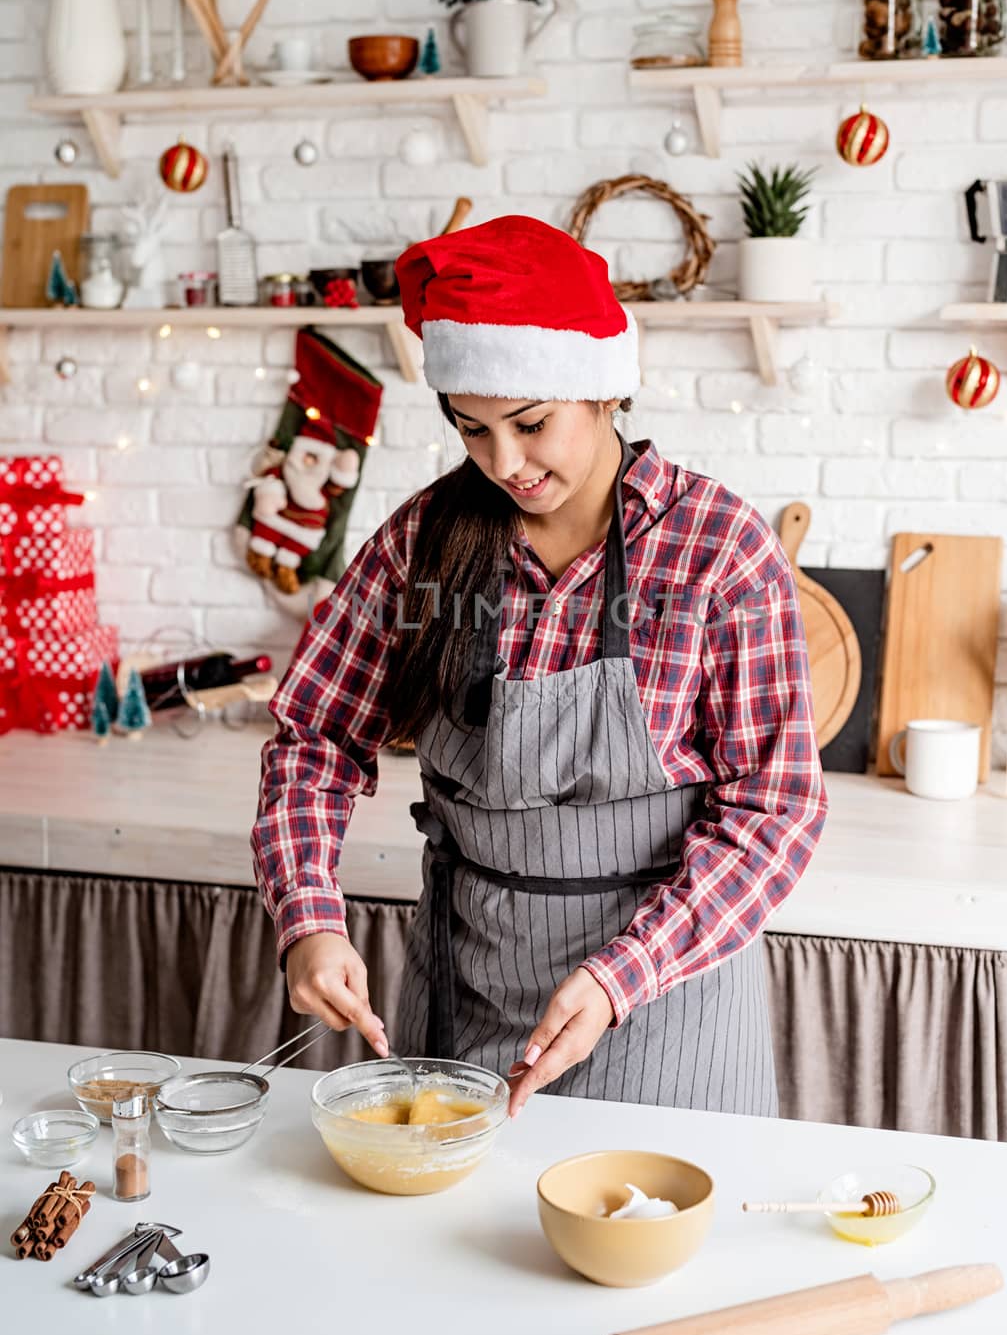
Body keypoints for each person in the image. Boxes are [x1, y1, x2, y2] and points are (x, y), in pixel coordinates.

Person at [251, 215, 828, 1118]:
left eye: (529, 424)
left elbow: (776, 807)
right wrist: (309, 921)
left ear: (602, 391)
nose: (505, 464)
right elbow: (312, 739)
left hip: (663, 1001)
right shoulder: (422, 543)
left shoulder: (717, 551)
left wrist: (618, 976)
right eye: (472, 431)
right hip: (464, 989)